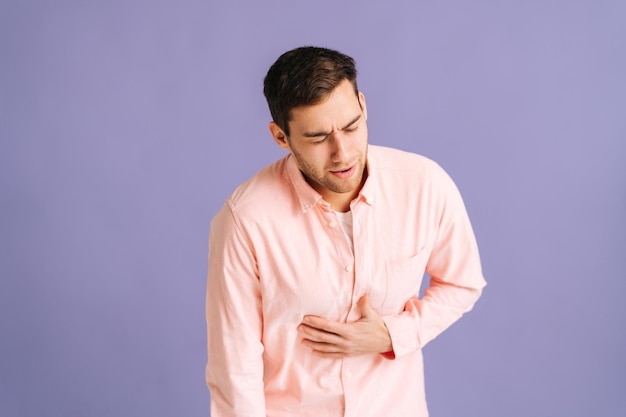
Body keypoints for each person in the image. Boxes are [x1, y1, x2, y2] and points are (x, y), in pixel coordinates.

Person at [206, 46, 486, 417]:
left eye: (352, 127)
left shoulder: (424, 185)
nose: (342, 153)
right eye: (319, 138)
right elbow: (234, 368)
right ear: (280, 137)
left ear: (363, 106)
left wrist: (392, 335)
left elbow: (462, 284)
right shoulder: (245, 219)